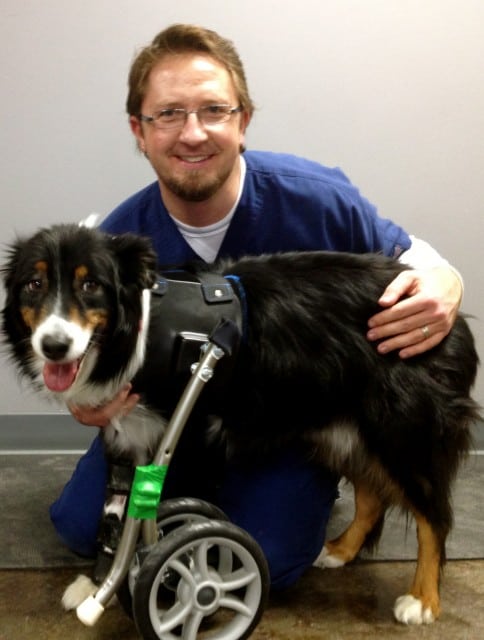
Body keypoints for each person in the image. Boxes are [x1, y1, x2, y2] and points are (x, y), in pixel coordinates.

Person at [50, 23, 463, 589]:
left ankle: (289, 501)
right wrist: (85, 405)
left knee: (269, 559)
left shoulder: (318, 198)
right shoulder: (118, 246)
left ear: (243, 120)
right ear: (138, 132)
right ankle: (196, 498)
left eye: (213, 110)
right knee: (78, 528)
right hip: (168, 424)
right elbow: (81, 353)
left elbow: (417, 260)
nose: (192, 133)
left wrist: (448, 282)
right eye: (168, 114)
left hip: (286, 425)